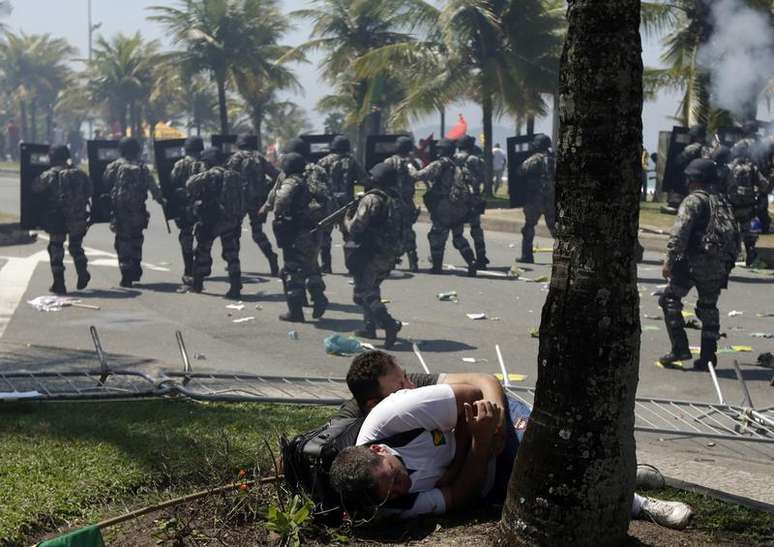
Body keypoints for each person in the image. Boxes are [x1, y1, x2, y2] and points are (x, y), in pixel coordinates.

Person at [329, 353, 693, 529]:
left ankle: (639, 503)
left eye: (393, 477)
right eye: (390, 492)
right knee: (545, 488)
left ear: (378, 449)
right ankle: (621, 476)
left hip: (492, 418)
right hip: (481, 453)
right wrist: (478, 447)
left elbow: (478, 390)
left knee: (545, 457)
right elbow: (463, 496)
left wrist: (496, 430)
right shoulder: (389, 502)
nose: (400, 487)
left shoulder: (394, 414)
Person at [659, 159, 739, 369]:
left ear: (695, 179)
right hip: (718, 266)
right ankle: (708, 357)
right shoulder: (722, 201)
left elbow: (680, 232)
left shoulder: (694, 201)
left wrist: (669, 261)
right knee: (708, 307)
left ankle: (680, 348)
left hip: (693, 263)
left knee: (669, 299)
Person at [341, 163, 404, 349]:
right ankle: (369, 327)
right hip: (389, 252)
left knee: (363, 293)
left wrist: (345, 218)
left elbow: (356, 227)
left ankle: (388, 324)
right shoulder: (396, 199)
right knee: (372, 288)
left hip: (371, 252)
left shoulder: (372, 199)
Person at [268, 151, 329, 322]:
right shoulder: (309, 180)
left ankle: (295, 312)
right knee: (311, 266)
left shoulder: (291, 182)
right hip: (312, 229)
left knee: (291, 270)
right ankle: (319, 298)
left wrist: (278, 213)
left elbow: (281, 200)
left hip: (296, 232)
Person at [410, 138, 478, 277]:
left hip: (444, 208)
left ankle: (437, 267)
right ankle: (472, 262)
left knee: (436, 236)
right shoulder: (458, 165)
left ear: (442, 150)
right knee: (458, 237)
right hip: (459, 207)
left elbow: (419, 176)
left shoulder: (439, 164)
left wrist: (409, 170)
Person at [103, 137, 165, 288]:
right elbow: (153, 187)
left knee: (123, 240)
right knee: (137, 238)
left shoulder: (114, 166)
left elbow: (105, 182)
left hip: (120, 211)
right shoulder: (143, 167)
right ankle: (136, 264)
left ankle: (126, 274)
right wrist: (161, 200)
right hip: (138, 209)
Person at [31, 145, 93, 294]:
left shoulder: (50, 174)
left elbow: (35, 188)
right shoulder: (80, 173)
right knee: (76, 246)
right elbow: (90, 191)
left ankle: (59, 283)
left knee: (56, 248)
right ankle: (82, 271)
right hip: (78, 218)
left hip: (58, 219)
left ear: (52, 157)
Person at [186, 147, 245, 299]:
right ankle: (235, 284)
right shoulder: (234, 175)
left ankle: (197, 283)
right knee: (232, 253)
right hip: (231, 219)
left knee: (202, 250)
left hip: (212, 218)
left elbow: (190, 184)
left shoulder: (210, 174)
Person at [226, 135, 281, 277]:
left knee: (234, 232)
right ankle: (271, 257)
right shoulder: (260, 158)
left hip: (239, 201)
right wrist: (268, 188)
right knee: (257, 233)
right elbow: (276, 175)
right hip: (257, 201)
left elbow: (227, 177)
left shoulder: (236, 158)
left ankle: (234, 264)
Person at [317, 136, 367, 273]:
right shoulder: (352, 161)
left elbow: (315, 183)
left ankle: (326, 266)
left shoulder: (323, 161)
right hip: (347, 204)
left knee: (325, 235)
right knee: (349, 235)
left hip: (328, 204)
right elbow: (364, 180)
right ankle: (351, 266)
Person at [169, 136, 206, 286]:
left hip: (185, 207)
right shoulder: (205, 164)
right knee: (203, 238)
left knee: (186, 238)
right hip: (202, 207)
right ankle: (200, 269)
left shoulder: (180, 164)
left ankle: (188, 270)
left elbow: (172, 180)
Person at [726, 141, 769, 267]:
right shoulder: (752, 168)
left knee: (730, 231)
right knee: (747, 231)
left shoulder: (730, 167)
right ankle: (750, 252)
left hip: (731, 205)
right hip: (747, 206)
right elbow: (764, 184)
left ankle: (730, 257)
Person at [384, 136, 420, 272]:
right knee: (408, 232)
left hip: (392, 203)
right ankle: (413, 262)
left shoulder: (389, 161)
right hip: (407, 203)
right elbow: (417, 176)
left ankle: (391, 261)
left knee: (391, 231)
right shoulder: (411, 163)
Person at [519, 134, 556, 264]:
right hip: (552, 199)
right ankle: (566, 255)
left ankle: (527, 256)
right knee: (554, 227)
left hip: (535, 199)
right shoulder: (553, 159)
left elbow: (521, 171)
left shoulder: (534, 159)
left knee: (529, 226)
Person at [455, 136, 489, 269]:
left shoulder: (453, 158)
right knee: (476, 229)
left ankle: (469, 258)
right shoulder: (475, 159)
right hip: (474, 198)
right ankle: (481, 258)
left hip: (458, 200)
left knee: (457, 232)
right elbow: (483, 176)